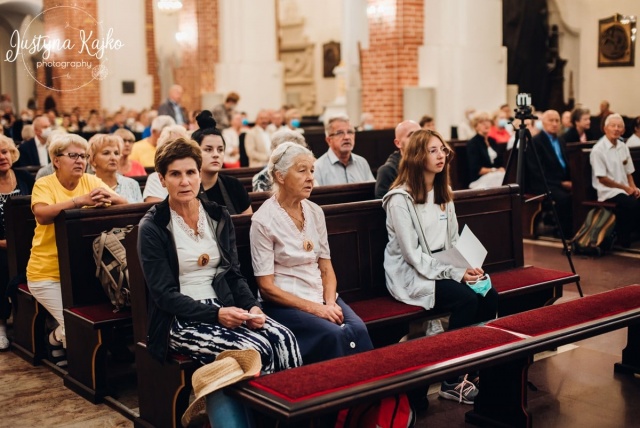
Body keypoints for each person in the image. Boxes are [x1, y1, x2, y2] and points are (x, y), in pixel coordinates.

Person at [137, 136, 301, 371]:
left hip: (225, 304)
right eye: (175, 174)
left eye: (191, 172)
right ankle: (256, 398)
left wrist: (252, 306)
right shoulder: (153, 226)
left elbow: (233, 273)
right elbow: (163, 295)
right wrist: (216, 314)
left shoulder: (217, 215)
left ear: (199, 174)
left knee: (285, 339)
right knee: (257, 350)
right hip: (180, 319)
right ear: (162, 179)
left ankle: (289, 396)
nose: (185, 181)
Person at [383, 129, 498, 404]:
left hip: (443, 266)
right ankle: (451, 379)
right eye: (432, 150)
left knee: (489, 295)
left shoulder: (443, 192)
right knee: (465, 300)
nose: (441, 155)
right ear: (416, 156)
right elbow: (412, 255)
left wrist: (469, 267)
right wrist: (457, 274)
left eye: (442, 150)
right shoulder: (400, 199)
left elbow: (454, 240)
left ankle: (473, 367)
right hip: (413, 272)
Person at [250, 142, 373, 364]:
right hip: (285, 303)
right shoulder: (263, 221)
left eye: (312, 170)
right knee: (334, 334)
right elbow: (266, 288)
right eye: (302, 170)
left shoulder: (315, 212)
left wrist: (330, 303)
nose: (310, 178)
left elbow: (325, 266)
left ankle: (369, 387)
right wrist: (317, 310)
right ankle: (334, 386)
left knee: (358, 330)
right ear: (280, 176)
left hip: (320, 294)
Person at [27, 134, 127, 366]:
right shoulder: (45, 184)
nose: (80, 161)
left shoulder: (91, 181)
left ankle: (61, 342)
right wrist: (79, 201)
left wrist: (111, 199)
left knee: (90, 321)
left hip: (82, 271)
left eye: (83, 156)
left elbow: (125, 205)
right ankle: (54, 340)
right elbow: (41, 215)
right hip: (46, 273)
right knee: (74, 325)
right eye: (73, 155)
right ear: (56, 160)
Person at [0, 136, 34, 350]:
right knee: (2, 263)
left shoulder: (24, 177)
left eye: (5, 152)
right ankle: (1, 323)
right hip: (0, 246)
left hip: (28, 243)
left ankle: (37, 319)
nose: (2, 157)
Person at [590, 114, 640, 248]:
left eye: (619, 126)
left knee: (637, 197)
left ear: (623, 131)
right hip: (608, 191)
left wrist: (633, 187)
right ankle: (623, 238)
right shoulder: (598, 150)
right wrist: (625, 188)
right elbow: (602, 179)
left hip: (624, 188)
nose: (616, 129)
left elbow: (629, 172)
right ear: (605, 128)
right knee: (631, 204)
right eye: (613, 126)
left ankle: (634, 234)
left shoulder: (623, 146)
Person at [190, 111, 252, 214]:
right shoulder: (188, 190)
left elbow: (247, 221)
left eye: (220, 150)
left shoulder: (234, 185)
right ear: (195, 152)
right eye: (208, 149)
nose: (216, 154)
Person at [525, 109, 573, 237]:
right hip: (544, 183)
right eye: (551, 120)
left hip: (562, 181)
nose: (554, 124)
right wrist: (560, 183)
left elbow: (565, 163)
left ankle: (578, 231)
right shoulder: (535, 142)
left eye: (557, 120)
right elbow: (536, 171)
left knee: (580, 194)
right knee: (564, 198)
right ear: (543, 122)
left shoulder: (561, 140)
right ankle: (564, 233)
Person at [314, 115, 375, 186]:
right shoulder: (318, 168)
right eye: (340, 133)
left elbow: (372, 190)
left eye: (350, 132)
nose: (347, 137)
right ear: (329, 140)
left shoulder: (362, 163)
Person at [88, 134, 143, 203]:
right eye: (106, 153)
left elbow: (142, 209)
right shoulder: (86, 185)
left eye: (116, 153)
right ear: (93, 160)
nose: (113, 158)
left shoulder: (132, 184)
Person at [142, 125, 190, 202]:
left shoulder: (195, 174)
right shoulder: (156, 178)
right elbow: (155, 206)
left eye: (182, 147)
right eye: (171, 148)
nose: (178, 152)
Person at [375, 120, 421, 199]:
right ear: (398, 143)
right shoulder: (387, 171)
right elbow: (382, 203)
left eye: (421, 134)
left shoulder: (429, 163)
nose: (419, 139)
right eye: (412, 135)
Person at [466, 111, 505, 189]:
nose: (486, 124)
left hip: (494, 176)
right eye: (482, 122)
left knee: (503, 176)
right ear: (476, 126)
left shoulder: (492, 141)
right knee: (499, 177)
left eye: (487, 121)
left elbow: (500, 162)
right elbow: (476, 169)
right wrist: (494, 170)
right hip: (479, 180)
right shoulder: (473, 143)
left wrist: (500, 169)